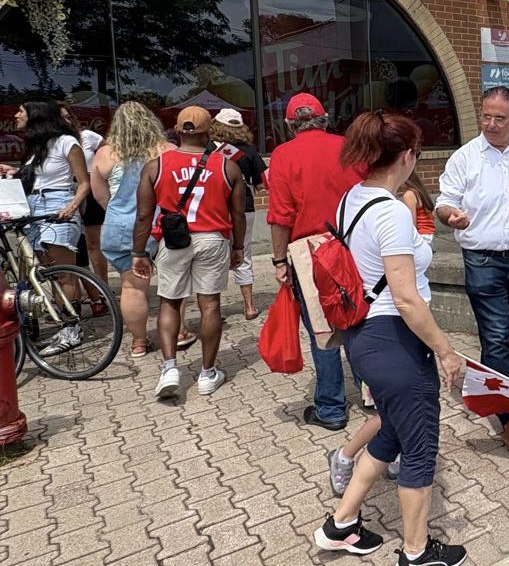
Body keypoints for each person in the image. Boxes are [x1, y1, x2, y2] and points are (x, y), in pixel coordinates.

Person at [313, 109, 467, 566]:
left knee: (393, 434)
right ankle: (417, 553)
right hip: (395, 340)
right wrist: (446, 350)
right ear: (405, 155)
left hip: (361, 337)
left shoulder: (350, 200)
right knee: (420, 447)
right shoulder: (392, 213)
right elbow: (406, 299)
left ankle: (340, 524)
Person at [435, 86, 509, 454]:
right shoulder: (465, 157)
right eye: (486, 116)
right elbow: (443, 203)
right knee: (499, 334)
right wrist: (450, 216)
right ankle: (508, 417)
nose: (490, 124)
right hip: (481, 258)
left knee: (498, 336)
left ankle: (488, 387)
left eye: (499, 118)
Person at [268, 93, 365, 430]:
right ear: (325, 118)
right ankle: (374, 395)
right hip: (353, 243)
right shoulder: (347, 147)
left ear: (289, 124)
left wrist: (279, 260)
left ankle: (332, 408)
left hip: (309, 251)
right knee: (358, 318)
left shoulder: (282, 155)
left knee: (323, 330)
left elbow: (280, 215)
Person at [133, 106, 245, 399]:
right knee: (210, 306)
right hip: (212, 239)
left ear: (178, 131)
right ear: (209, 132)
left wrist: (139, 252)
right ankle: (207, 374)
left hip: (174, 240)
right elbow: (239, 214)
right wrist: (239, 247)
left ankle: (170, 368)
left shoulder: (155, 165)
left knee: (170, 303)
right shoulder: (227, 166)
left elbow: (144, 215)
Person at [0, 101, 91, 354]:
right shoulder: (37, 147)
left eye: (21, 111)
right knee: (48, 270)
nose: (16, 115)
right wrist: (14, 171)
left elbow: (84, 182)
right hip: (34, 206)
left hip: (57, 204)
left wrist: (72, 206)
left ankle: (72, 327)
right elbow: (38, 177)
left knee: (64, 271)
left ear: (36, 116)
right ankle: (63, 322)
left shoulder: (66, 142)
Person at [92, 101, 174, 358]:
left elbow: (100, 196)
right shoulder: (166, 150)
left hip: (119, 227)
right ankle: (177, 332)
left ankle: (139, 342)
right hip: (162, 225)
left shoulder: (105, 154)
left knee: (132, 287)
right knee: (172, 283)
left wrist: (118, 213)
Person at [211, 108, 267, 321]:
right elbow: (261, 185)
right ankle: (249, 306)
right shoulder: (250, 150)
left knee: (214, 258)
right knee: (244, 253)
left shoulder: (209, 149)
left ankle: (213, 310)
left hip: (216, 208)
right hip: (245, 207)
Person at [61, 104, 107, 303]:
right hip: (66, 192)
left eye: (68, 116)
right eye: (61, 117)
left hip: (89, 190)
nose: (66, 121)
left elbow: (108, 155)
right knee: (73, 245)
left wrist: (100, 176)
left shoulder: (88, 136)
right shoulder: (54, 141)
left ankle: (103, 288)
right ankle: (77, 294)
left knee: (93, 243)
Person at [400, 176, 437, 247]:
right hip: (428, 234)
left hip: (420, 234)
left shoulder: (408, 194)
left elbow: (411, 221)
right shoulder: (420, 192)